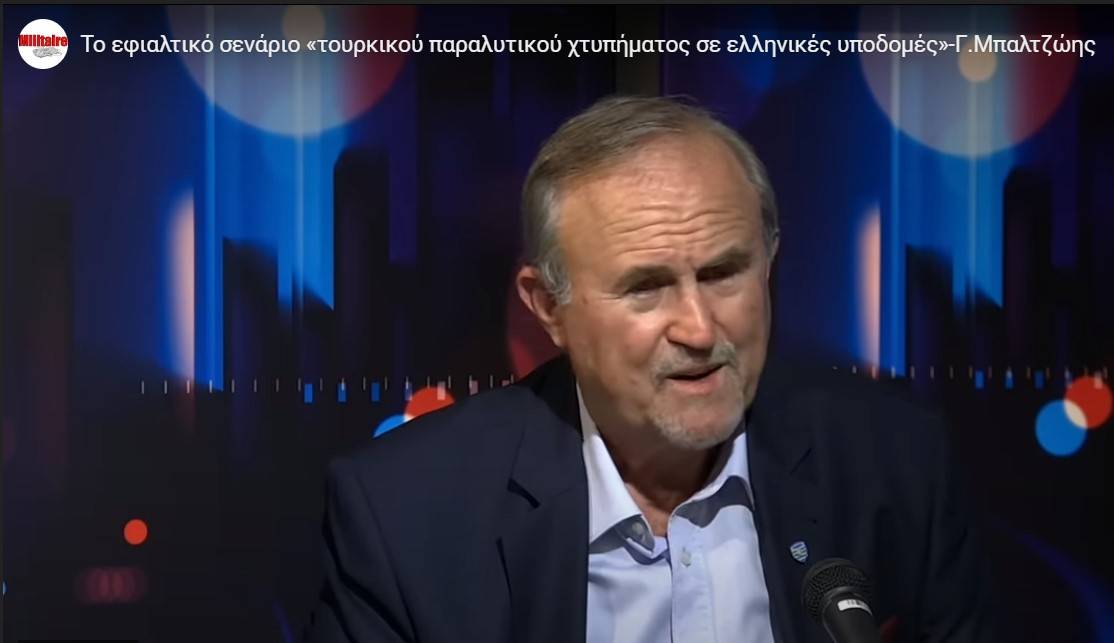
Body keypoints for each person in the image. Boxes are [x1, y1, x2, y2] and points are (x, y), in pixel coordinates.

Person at [305, 96, 995, 643]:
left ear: (769, 263)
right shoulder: (404, 513)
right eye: (646, 287)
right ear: (548, 307)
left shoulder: (898, 467)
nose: (699, 329)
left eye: (724, 273)